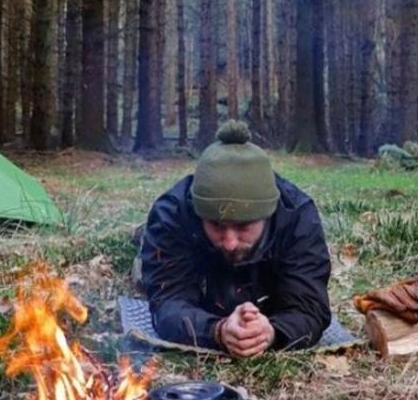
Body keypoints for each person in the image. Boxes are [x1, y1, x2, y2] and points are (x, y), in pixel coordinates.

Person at [139, 121, 331, 356]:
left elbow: (310, 307)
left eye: (243, 226)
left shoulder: (297, 218)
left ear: (267, 215)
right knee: (144, 272)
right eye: (217, 225)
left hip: (267, 284)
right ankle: (140, 240)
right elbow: (168, 302)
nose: (230, 242)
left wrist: (272, 333)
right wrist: (216, 331)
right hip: (201, 274)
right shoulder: (173, 215)